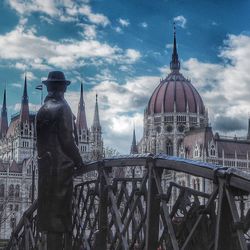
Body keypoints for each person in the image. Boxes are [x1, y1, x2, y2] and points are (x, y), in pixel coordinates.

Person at [36, 71, 84, 250]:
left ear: (49, 87)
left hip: (45, 173)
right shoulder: (62, 108)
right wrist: (80, 162)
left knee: (49, 219)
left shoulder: (42, 111)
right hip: (61, 172)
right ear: (63, 87)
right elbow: (67, 141)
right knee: (59, 219)